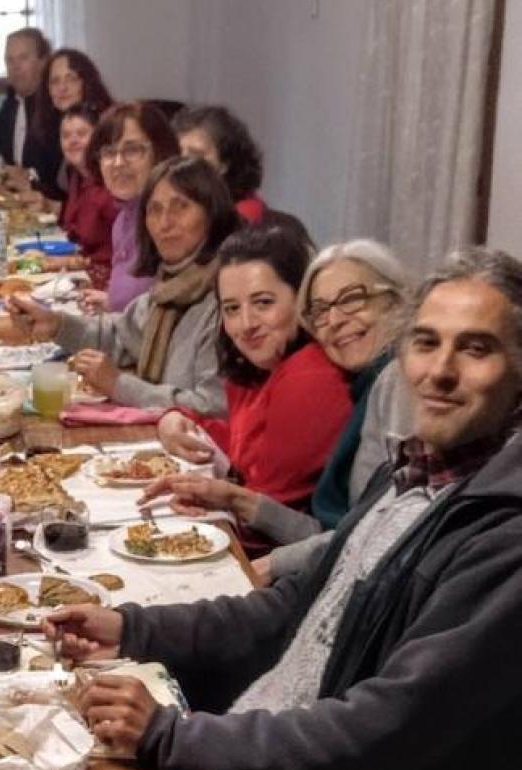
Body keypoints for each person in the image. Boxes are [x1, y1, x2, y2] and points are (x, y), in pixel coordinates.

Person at [47, 247, 522, 769]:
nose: (440, 371)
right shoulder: (412, 471)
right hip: (259, 725)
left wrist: (172, 737)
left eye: (476, 349)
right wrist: (130, 628)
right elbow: (294, 606)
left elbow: (392, 727)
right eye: (426, 343)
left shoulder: (503, 532)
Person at [142, 239, 411, 582]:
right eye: (321, 309)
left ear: (397, 298)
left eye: (352, 299)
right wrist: (176, 419)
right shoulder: (364, 381)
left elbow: (376, 538)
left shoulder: (390, 383)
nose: (336, 319)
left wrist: (269, 553)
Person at [152, 226, 353, 548]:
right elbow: (243, 448)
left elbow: (261, 517)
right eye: (232, 308)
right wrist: (174, 418)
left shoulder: (309, 377)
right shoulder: (261, 366)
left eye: (263, 302)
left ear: (301, 299)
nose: (246, 324)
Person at [7, 156, 239, 415]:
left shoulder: (228, 298)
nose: (165, 223)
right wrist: (55, 324)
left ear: (213, 214)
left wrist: (119, 384)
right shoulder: (171, 285)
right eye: (155, 210)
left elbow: (214, 407)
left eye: (180, 207)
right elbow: (121, 337)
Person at [80, 101, 180, 311]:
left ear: (160, 153)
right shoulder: (122, 220)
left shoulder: (169, 222)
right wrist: (110, 302)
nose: (118, 163)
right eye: (109, 152)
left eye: (132, 150)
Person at [29, 48, 114, 198]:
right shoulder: (53, 124)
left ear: (86, 83)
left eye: (71, 79)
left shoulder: (106, 125)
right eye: (55, 81)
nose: (62, 88)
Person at [173, 104, 266, 224]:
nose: (180, 161)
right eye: (176, 152)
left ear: (224, 164)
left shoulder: (244, 215)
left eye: (196, 154)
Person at [0, 28, 53, 184]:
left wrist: (28, 176)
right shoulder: (12, 102)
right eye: (9, 60)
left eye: (23, 58)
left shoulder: (55, 106)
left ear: (43, 62)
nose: (15, 67)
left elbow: (57, 176)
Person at [57, 103, 116, 288]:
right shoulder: (77, 178)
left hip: (108, 285)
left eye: (82, 134)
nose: (73, 141)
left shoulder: (112, 184)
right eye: (66, 136)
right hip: (81, 275)